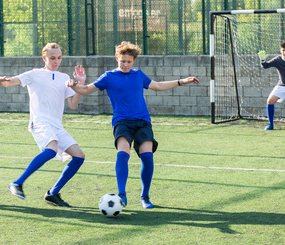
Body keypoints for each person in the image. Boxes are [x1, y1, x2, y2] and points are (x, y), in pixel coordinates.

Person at [66, 41, 200, 209]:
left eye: (129, 61)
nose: (125, 64)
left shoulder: (139, 75)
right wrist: (74, 85)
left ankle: (145, 196)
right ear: (117, 59)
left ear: (133, 61)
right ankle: (122, 194)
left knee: (147, 156)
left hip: (143, 121)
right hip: (122, 121)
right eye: (122, 61)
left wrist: (182, 81)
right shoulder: (108, 76)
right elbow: (85, 89)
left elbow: (157, 86)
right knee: (123, 153)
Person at [0, 43, 85, 207]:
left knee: (79, 156)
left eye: (59, 58)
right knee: (51, 150)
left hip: (57, 125)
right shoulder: (34, 74)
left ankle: (53, 193)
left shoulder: (64, 78)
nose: (56, 61)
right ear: (44, 58)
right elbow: (9, 82)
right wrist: (2, 81)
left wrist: (79, 83)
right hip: (40, 122)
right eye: (52, 58)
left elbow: (72, 105)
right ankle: (17, 183)